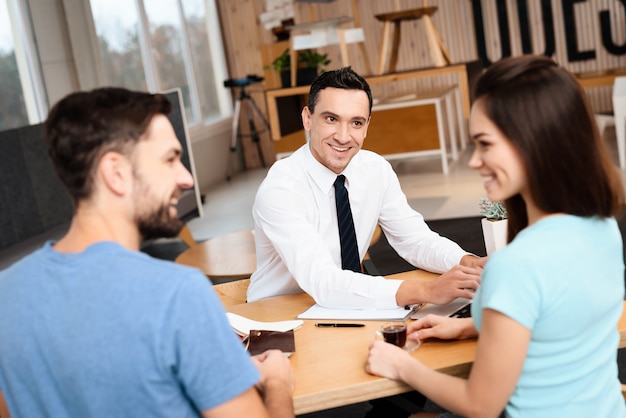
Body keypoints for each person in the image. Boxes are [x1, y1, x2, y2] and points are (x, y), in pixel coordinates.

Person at [0, 88, 294, 418]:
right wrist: (277, 384)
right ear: (116, 173)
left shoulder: (6, 295)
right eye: (170, 159)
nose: (186, 178)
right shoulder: (176, 294)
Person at [366, 55, 626, 418]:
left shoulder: (516, 264)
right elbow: (561, 319)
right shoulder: (603, 229)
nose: (474, 160)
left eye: (485, 144)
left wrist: (400, 365)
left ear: (533, 141)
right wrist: (470, 327)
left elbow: (481, 405)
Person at [248, 67, 484, 309]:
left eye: (356, 123)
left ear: (367, 125)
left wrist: (466, 262)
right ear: (307, 118)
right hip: (278, 316)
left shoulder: (375, 169)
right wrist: (427, 290)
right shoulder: (281, 189)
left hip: (347, 304)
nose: (343, 136)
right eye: (331, 119)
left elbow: (414, 239)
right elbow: (324, 282)